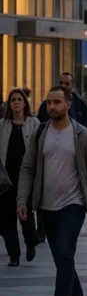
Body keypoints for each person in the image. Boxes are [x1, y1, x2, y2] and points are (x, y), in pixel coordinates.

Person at [17, 86, 87, 296]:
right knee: (61, 258)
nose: (52, 106)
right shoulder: (41, 133)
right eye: (48, 103)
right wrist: (22, 200)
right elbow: (27, 169)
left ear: (68, 104)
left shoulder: (82, 135)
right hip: (45, 207)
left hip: (73, 204)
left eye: (57, 102)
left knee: (65, 252)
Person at [0, 88, 40, 266]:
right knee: (7, 219)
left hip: (26, 178)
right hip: (6, 180)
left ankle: (31, 242)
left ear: (25, 102)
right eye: (12, 100)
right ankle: (14, 255)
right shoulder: (2, 124)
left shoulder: (34, 123)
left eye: (19, 99)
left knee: (26, 217)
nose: (15, 102)